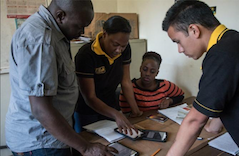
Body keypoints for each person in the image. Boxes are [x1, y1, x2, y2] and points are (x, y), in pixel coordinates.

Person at [5, 0, 118, 156]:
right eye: (79, 26)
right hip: (41, 142)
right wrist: (86, 148)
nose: (82, 31)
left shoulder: (56, 33)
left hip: (53, 136)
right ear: (60, 16)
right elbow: (40, 109)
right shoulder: (41, 39)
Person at [162, 0, 239, 155]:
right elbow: (231, 93)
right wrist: (214, 125)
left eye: (178, 41)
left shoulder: (222, 54)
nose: (179, 50)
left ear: (194, 30)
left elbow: (195, 121)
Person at [74, 15, 143, 134]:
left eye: (123, 46)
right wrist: (116, 114)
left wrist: (135, 111)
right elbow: (89, 97)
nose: (119, 50)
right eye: (115, 44)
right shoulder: (86, 55)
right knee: (91, 145)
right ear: (104, 34)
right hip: (87, 110)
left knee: (114, 141)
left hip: (111, 106)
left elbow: (125, 81)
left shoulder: (124, 49)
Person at [119, 51, 184, 113]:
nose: (147, 74)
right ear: (140, 68)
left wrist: (169, 101)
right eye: (145, 69)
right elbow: (126, 114)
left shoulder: (164, 85)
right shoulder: (129, 89)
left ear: (157, 73)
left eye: (152, 71)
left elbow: (181, 95)